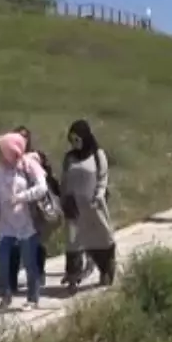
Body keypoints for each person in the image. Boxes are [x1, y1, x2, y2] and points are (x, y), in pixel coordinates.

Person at [0, 132, 50, 310]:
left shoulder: (28, 165)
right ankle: (5, 295)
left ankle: (33, 298)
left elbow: (42, 188)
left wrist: (22, 197)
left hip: (27, 223)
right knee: (1, 260)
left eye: (1, 151)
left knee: (29, 262)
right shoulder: (0, 169)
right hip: (6, 223)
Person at [61, 120, 116, 288]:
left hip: (93, 205)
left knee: (100, 239)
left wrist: (99, 195)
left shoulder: (97, 155)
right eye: (71, 140)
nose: (74, 144)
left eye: (77, 139)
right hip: (74, 206)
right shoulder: (69, 158)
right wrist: (64, 199)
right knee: (73, 241)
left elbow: (103, 177)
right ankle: (73, 275)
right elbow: (65, 180)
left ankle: (105, 270)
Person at [5, 125, 58, 293]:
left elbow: (47, 181)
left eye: (24, 138)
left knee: (35, 243)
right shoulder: (8, 160)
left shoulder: (34, 159)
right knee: (13, 244)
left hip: (34, 207)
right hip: (16, 209)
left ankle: (37, 274)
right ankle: (11, 282)